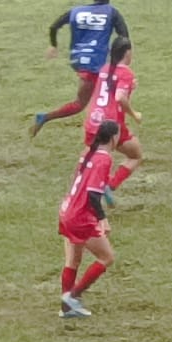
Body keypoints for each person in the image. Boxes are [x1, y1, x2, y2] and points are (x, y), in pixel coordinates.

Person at [30, 0, 129, 138]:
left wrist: (53, 45)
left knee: (107, 94)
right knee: (82, 104)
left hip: (79, 60)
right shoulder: (112, 12)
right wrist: (119, 56)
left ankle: (110, 129)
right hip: (95, 63)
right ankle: (46, 117)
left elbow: (54, 26)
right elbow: (124, 36)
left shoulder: (76, 11)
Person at [56, 119, 120, 318]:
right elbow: (92, 194)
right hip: (80, 217)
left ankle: (67, 309)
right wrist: (102, 219)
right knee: (107, 257)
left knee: (73, 260)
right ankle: (72, 297)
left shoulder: (88, 153)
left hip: (67, 210)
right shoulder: (104, 159)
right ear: (113, 137)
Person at [85, 37, 144, 195]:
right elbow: (119, 97)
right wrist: (134, 114)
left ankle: (82, 186)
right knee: (135, 155)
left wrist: (130, 87)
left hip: (93, 119)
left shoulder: (104, 68)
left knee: (91, 156)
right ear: (127, 52)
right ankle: (108, 186)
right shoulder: (126, 73)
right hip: (111, 123)